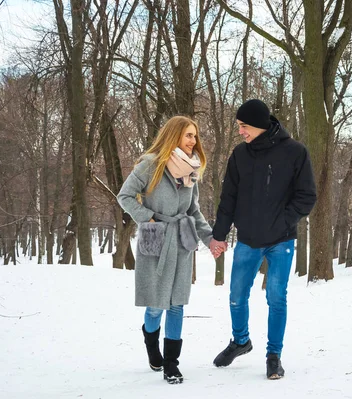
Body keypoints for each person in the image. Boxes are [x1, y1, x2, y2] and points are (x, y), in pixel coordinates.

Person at [209, 99, 317, 380]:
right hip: (247, 239)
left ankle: (273, 355)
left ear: (258, 124)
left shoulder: (295, 152)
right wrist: (219, 235)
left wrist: (283, 220)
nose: (241, 132)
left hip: (281, 239)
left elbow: (307, 196)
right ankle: (240, 341)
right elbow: (228, 198)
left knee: (276, 297)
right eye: (239, 127)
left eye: (243, 126)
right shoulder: (239, 156)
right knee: (236, 296)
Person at [117, 116, 220, 384]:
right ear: (174, 136)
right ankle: (151, 343)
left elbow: (193, 210)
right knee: (155, 305)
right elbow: (125, 196)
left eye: (194, 136)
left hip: (182, 239)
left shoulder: (191, 170)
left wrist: (209, 238)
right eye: (188, 135)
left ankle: (171, 364)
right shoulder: (150, 164)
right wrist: (147, 217)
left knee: (177, 304)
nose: (193, 141)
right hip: (155, 236)